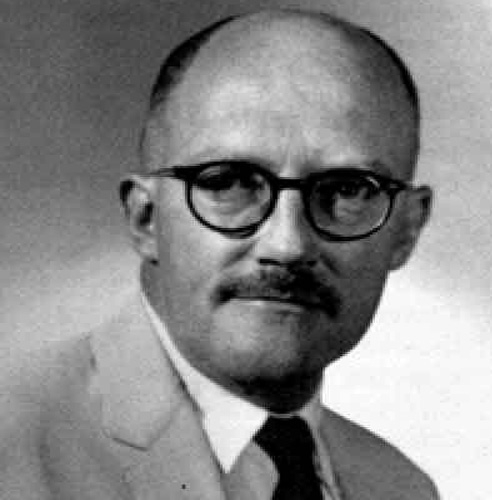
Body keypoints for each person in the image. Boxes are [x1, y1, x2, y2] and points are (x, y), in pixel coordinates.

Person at [0, 8, 440, 500]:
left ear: (407, 229)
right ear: (146, 219)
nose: (288, 245)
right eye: (228, 182)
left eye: (348, 190)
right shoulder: (12, 444)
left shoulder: (400, 487)